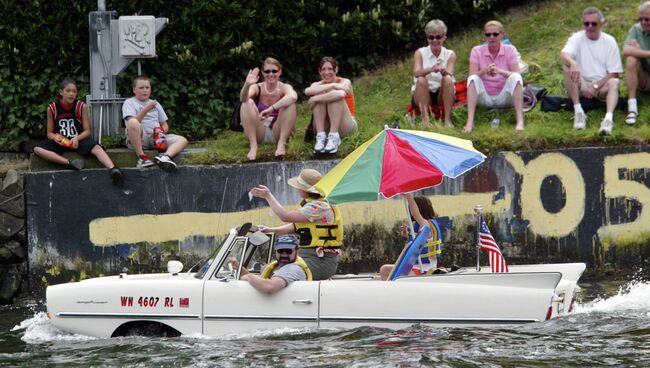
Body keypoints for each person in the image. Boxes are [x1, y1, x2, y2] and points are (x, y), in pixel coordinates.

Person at [250, 168, 343, 280]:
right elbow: (294, 227)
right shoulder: (312, 204)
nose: (298, 189)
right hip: (304, 257)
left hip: (320, 261)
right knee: (269, 268)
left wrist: (268, 196)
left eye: (299, 187)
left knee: (279, 272)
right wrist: (271, 230)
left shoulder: (319, 206)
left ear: (306, 190)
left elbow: (285, 217)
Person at [33, 79, 123, 183]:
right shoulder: (52, 108)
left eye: (74, 91)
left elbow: (88, 131)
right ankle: (70, 163)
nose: (71, 94)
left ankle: (113, 169)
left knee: (96, 147)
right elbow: (49, 133)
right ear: (61, 92)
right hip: (61, 142)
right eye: (68, 91)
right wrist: (55, 137)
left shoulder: (81, 106)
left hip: (78, 141)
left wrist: (77, 138)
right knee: (37, 149)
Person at [561, 7, 623, 135]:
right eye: (586, 23)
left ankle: (608, 119)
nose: (589, 27)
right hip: (581, 83)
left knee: (615, 82)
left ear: (601, 24)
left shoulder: (609, 41)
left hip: (601, 85)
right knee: (567, 67)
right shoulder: (576, 37)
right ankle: (579, 112)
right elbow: (563, 55)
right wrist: (574, 64)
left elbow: (614, 72)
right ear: (582, 23)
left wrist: (595, 86)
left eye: (593, 23)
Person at [463, 20, 525, 133]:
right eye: (488, 34)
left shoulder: (510, 49)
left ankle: (520, 121)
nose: (492, 37)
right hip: (484, 97)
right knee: (472, 79)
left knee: (516, 77)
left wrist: (500, 71)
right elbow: (471, 74)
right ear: (485, 36)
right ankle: (469, 122)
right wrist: (484, 71)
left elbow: (516, 73)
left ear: (502, 34)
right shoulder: (476, 50)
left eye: (495, 34)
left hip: (505, 96)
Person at [122, 76, 189, 171]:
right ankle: (142, 158)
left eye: (147, 88)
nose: (145, 90)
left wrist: (160, 133)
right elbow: (132, 123)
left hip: (156, 138)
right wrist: (146, 109)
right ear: (134, 90)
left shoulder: (156, 104)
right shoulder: (129, 103)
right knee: (132, 122)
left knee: (182, 140)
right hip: (140, 138)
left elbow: (164, 124)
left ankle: (165, 157)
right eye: (141, 88)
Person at [239, 57, 298, 161]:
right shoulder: (257, 87)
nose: (271, 74)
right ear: (262, 73)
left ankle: (281, 143)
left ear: (280, 72)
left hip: (278, 130)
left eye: (274, 71)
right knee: (246, 103)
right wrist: (247, 84)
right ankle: (253, 145)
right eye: (267, 71)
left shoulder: (284, 87)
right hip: (259, 130)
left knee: (290, 103)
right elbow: (243, 98)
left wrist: (271, 108)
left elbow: (293, 97)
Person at [379, 193, 442, 281]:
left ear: (419, 209)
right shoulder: (420, 226)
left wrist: (409, 197)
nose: (410, 211)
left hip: (423, 269)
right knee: (385, 269)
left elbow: (416, 214)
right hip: (417, 267)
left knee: (384, 269)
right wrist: (407, 234)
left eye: (412, 207)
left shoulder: (427, 225)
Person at [305, 57, 357, 154]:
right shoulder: (317, 84)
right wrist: (332, 85)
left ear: (336, 70)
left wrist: (315, 99)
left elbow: (340, 94)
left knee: (333, 96)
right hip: (324, 126)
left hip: (345, 124)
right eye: (323, 69)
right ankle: (321, 137)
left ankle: (334, 136)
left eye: (330, 69)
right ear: (319, 71)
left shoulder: (344, 82)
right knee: (321, 94)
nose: (326, 72)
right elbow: (307, 91)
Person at [411, 19, 456, 128]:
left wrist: (443, 71)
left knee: (447, 79)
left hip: (442, 92)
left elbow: (450, 73)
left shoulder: (450, 54)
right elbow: (416, 72)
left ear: (444, 37)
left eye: (438, 37)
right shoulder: (420, 53)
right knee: (421, 79)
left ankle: (447, 121)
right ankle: (425, 120)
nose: (435, 40)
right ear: (427, 38)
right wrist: (431, 69)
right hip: (423, 92)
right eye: (431, 37)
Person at [231, 235, 312, 294]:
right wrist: (239, 268)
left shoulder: (293, 269)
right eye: (280, 251)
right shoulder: (280, 268)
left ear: (297, 252)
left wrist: (249, 277)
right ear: (276, 251)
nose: (284, 255)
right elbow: (260, 281)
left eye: (288, 251)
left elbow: (269, 287)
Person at [622, 1, 650, 125]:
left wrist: (639, 50)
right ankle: (632, 109)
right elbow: (626, 50)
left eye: (647, 19)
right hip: (645, 78)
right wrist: (645, 53)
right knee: (631, 58)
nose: (643, 22)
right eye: (641, 19)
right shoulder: (636, 29)